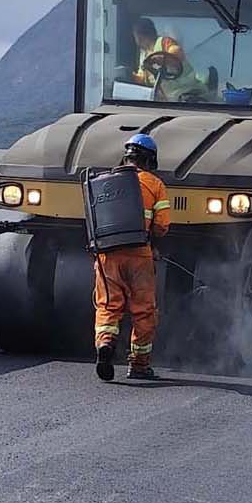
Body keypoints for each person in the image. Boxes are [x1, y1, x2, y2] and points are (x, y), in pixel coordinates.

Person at [94, 133, 172, 383]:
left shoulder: (104, 182)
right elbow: (162, 225)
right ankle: (138, 365)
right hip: (140, 255)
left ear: (126, 156)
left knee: (108, 306)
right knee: (143, 311)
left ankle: (105, 343)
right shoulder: (155, 184)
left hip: (108, 254)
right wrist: (154, 243)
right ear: (150, 159)